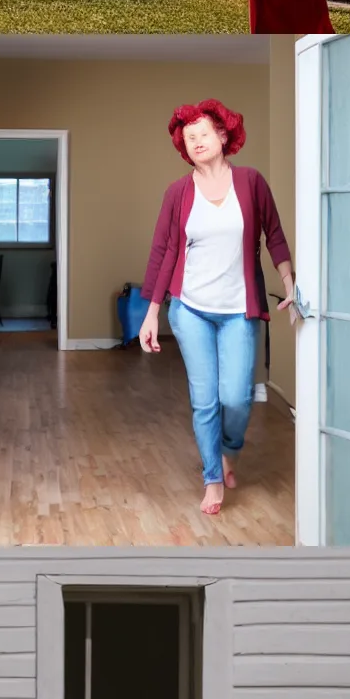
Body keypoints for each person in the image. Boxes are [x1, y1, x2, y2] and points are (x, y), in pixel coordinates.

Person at [139, 100, 300, 516]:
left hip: (238, 312)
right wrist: (152, 313)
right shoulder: (177, 192)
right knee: (205, 399)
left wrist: (290, 285)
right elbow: (162, 252)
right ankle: (212, 477)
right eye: (188, 137)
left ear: (224, 136)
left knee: (236, 397)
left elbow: (275, 235)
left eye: (203, 134)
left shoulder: (250, 182)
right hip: (189, 309)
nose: (195, 142)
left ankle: (230, 449)